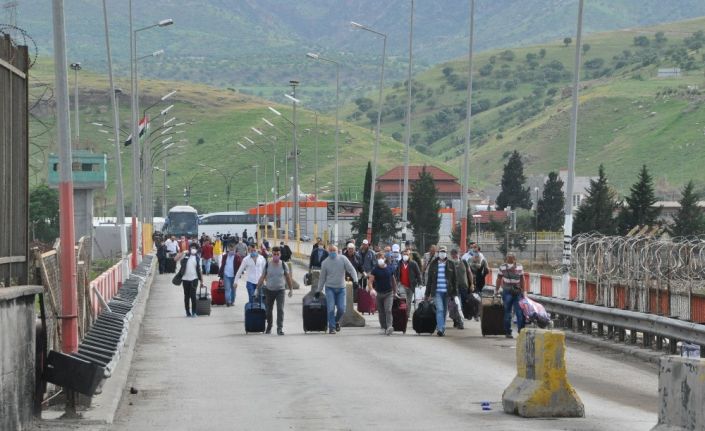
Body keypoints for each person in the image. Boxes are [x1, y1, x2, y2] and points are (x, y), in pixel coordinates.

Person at [316, 245, 359, 334]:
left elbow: (351, 269)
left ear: (338, 251)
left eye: (334, 250)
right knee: (331, 309)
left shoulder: (343, 259)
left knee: (341, 309)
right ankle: (332, 328)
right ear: (328, 251)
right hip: (330, 288)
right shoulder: (325, 263)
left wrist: (355, 281)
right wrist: (318, 290)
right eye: (331, 250)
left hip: (341, 288)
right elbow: (322, 278)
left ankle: (335, 322)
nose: (332, 252)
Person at [255, 246, 294, 335]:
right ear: (272, 254)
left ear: (280, 255)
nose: (276, 256)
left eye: (277, 254)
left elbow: (288, 277)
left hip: (280, 290)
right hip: (269, 290)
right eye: (274, 254)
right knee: (269, 310)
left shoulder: (284, 265)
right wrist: (257, 289)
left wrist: (291, 289)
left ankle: (279, 328)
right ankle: (269, 326)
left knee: (280, 309)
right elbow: (262, 277)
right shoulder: (268, 264)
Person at [424, 246, 457, 337]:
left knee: (444, 311)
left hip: (447, 292)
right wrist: (427, 294)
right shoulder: (433, 264)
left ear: (446, 253)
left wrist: (455, 293)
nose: (442, 253)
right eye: (440, 251)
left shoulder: (451, 264)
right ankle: (440, 328)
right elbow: (430, 281)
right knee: (440, 309)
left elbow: (455, 280)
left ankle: (442, 327)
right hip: (436, 292)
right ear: (438, 253)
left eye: (444, 251)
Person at [495, 253, 526, 339]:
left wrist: (496, 290)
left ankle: (508, 332)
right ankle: (521, 332)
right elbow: (522, 279)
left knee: (507, 312)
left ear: (506, 258)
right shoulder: (519, 266)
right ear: (515, 259)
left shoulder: (502, 267)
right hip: (517, 291)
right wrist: (524, 291)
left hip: (507, 291)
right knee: (519, 312)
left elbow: (499, 279)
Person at [368, 252, 397, 335]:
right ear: (377, 259)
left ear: (385, 258)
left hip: (389, 292)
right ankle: (383, 327)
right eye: (379, 257)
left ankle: (389, 327)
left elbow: (393, 281)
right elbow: (370, 282)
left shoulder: (390, 268)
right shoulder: (375, 270)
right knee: (381, 311)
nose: (381, 258)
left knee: (388, 310)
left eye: (382, 257)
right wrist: (371, 289)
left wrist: (395, 292)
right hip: (379, 293)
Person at [175, 243, 203, 317]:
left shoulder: (198, 258)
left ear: (197, 250)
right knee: (186, 296)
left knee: (193, 296)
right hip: (185, 279)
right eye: (192, 247)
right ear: (189, 248)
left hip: (194, 279)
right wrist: (183, 252)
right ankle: (187, 311)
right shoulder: (185, 255)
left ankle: (194, 312)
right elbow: (175, 259)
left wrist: (202, 281)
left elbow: (200, 270)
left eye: (195, 248)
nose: (193, 249)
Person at [450, 249, 474, 330]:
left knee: (463, 304)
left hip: (464, 287)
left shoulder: (464, 262)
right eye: (453, 254)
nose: (455, 255)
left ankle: (458, 319)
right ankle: (459, 321)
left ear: (458, 254)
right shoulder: (450, 263)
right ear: (451, 255)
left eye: (456, 253)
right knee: (457, 304)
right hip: (454, 288)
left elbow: (469, 273)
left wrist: (472, 284)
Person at [395, 248, 422, 316]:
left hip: (411, 285)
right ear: (402, 255)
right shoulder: (399, 263)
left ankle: (407, 315)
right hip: (402, 285)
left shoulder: (413, 263)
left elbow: (418, 274)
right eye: (404, 254)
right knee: (403, 300)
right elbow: (396, 273)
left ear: (409, 255)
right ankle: (403, 314)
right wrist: (396, 282)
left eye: (407, 254)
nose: (405, 256)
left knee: (409, 301)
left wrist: (420, 283)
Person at [218, 241, 242, 306]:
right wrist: (220, 273)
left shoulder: (237, 257)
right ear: (228, 249)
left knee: (233, 290)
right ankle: (228, 301)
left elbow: (240, 267)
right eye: (230, 249)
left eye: (233, 249)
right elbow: (223, 265)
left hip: (234, 276)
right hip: (226, 275)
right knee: (227, 289)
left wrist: (239, 274)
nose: (231, 250)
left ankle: (232, 301)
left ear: (235, 249)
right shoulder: (225, 256)